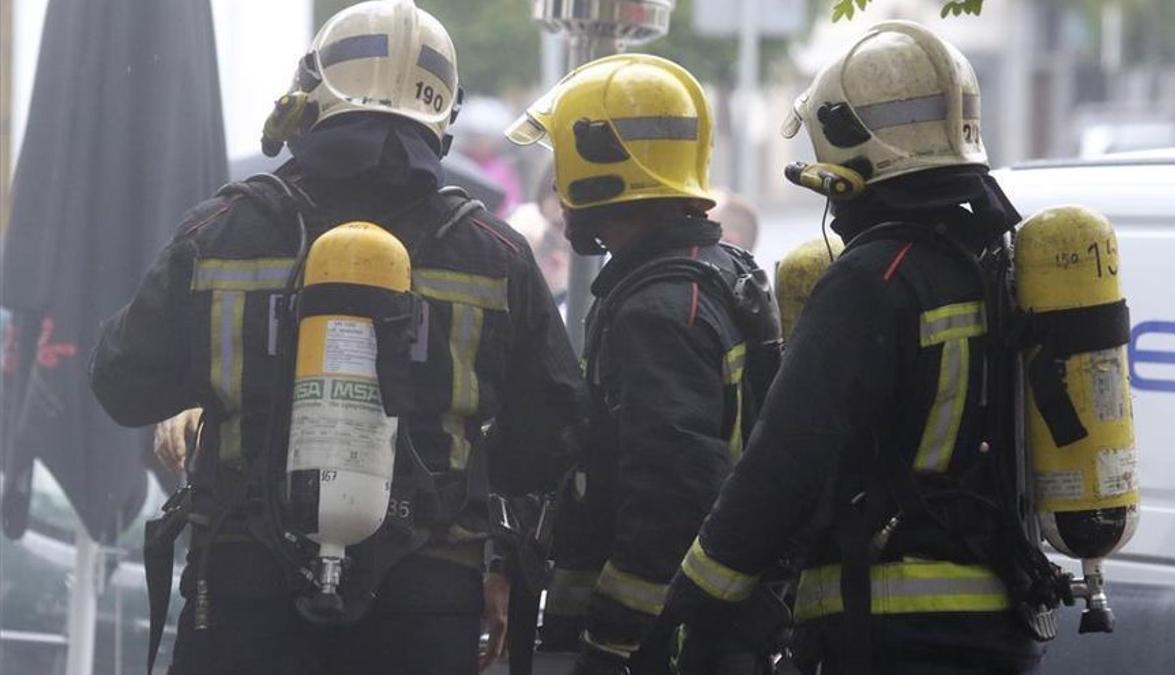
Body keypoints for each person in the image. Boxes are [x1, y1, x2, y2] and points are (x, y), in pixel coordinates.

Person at [89, 2, 583, 674]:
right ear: (443, 110)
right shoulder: (494, 253)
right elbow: (554, 433)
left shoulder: (221, 231)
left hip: (243, 590)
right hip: (427, 598)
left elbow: (121, 382)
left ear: (313, 92)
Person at [666, 20, 1060, 675]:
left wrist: (696, 598)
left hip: (893, 634)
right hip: (1003, 628)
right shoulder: (998, 264)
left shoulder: (873, 277)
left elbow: (785, 462)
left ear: (855, 145)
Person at [506, 54, 783, 674]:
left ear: (603, 170)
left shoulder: (658, 310)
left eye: (564, 166)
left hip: (665, 643)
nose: (556, 189)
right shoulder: (715, 271)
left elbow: (671, 490)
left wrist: (615, 638)